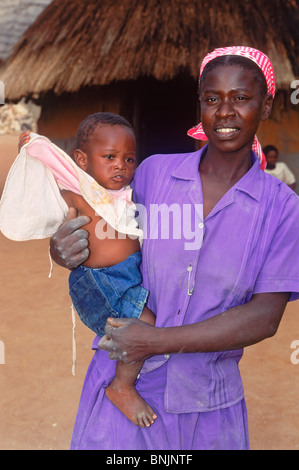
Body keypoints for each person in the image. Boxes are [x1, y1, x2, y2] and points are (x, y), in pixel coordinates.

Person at [49, 46, 299, 450]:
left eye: (241, 98)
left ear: (266, 105)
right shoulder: (152, 174)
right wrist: (62, 249)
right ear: (200, 104)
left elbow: (264, 318)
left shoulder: (282, 209)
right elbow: (108, 241)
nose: (225, 112)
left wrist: (154, 341)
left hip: (207, 407)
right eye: (212, 99)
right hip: (121, 389)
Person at [0, 112, 157, 428]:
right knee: (144, 324)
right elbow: (54, 161)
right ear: (82, 160)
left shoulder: (124, 195)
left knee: (143, 325)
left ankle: (126, 373)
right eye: (110, 157)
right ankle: (121, 386)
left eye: (129, 159)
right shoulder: (81, 192)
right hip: (101, 281)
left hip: (124, 277)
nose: (120, 166)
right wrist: (32, 143)